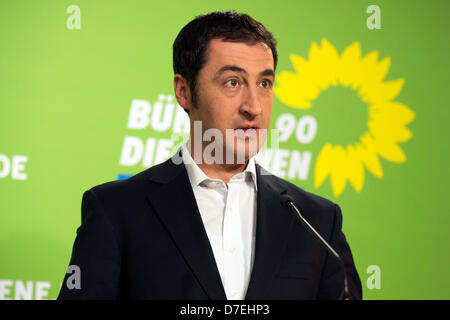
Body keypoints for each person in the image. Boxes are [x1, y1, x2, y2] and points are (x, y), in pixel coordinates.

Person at [58, 10, 362, 300]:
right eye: (233, 82)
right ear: (184, 92)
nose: (254, 106)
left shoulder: (317, 222)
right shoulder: (117, 212)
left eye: (264, 83)